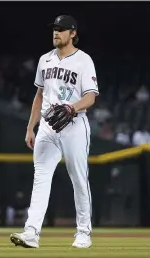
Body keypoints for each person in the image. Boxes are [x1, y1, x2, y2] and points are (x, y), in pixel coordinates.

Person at [10, 15, 99, 249]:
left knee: (78, 178)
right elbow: (39, 96)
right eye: (54, 29)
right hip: (47, 127)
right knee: (40, 178)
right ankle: (31, 232)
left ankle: (83, 232)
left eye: (61, 29)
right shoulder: (44, 60)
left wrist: (72, 107)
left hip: (75, 125)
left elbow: (90, 96)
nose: (56, 32)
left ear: (72, 34)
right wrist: (30, 127)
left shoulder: (83, 60)